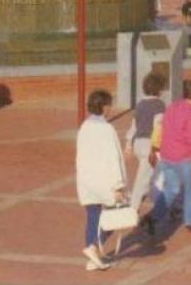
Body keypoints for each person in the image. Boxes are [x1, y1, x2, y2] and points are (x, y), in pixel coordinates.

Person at [76, 89, 127, 272]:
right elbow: (113, 158)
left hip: (87, 180)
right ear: (104, 107)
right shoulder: (106, 129)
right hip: (105, 181)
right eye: (109, 105)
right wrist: (118, 185)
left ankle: (93, 255)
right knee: (114, 217)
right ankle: (92, 246)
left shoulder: (84, 127)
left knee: (92, 216)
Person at [146, 79, 191, 232]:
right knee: (190, 189)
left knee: (170, 189)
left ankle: (154, 216)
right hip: (184, 156)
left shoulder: (173, 107)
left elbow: (164, 127)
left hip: (167, 155)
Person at [123, 73, 166, 233]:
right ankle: (132, 212)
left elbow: (133, 126)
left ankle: (161, 206)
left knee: (149, 177)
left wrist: (128, 146)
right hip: (151, 145)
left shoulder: (140, 104)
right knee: (144, 181)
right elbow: (158, 127)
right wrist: (156, 148)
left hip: (138, 143)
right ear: (159, 89)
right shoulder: (159, 105)